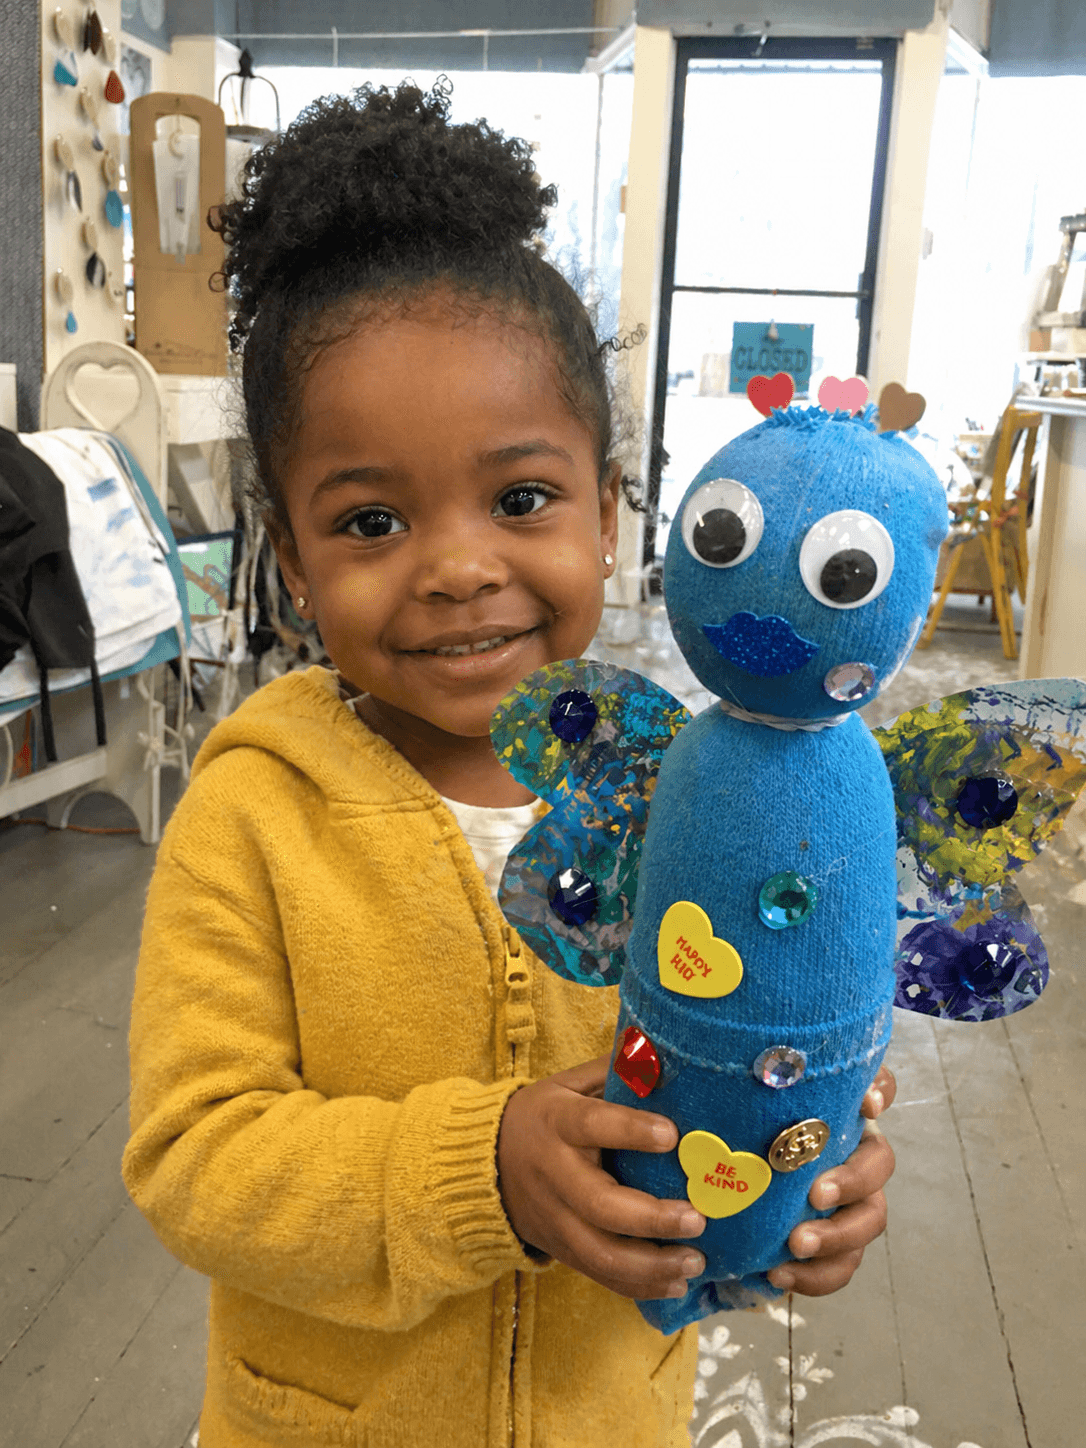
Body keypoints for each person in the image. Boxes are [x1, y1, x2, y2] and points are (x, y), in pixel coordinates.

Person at [122, 80, 896, 1448]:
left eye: (521, 498)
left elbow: (761, 1027)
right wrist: (482, 1171)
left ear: (607, 511)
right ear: (291, 560)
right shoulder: (253, 813)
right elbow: (198, 1157)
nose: (457, 567)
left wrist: (815, 1158)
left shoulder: (692, 799)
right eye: (370, 521)